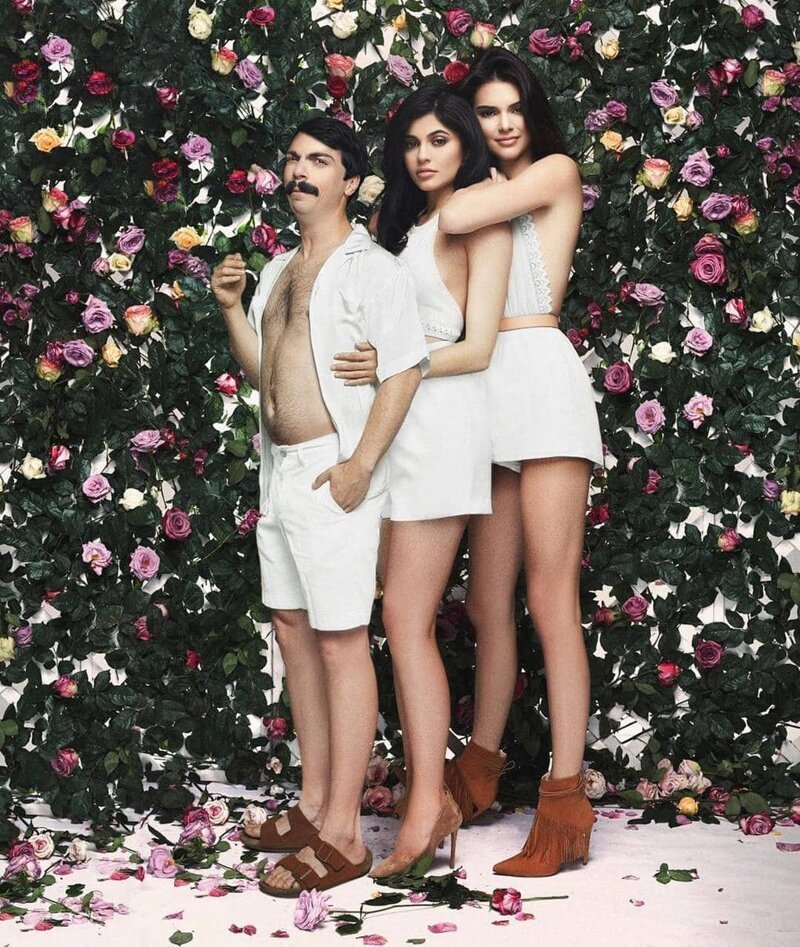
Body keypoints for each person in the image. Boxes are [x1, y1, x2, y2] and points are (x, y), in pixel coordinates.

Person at [211, 116, 429, 896]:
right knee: (294, 632)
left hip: (333, 473)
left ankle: (343, 835)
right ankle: (312, 805)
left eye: (320, 160)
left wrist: (359, 465)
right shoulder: (278, 268)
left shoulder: (374, 269)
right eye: (294, 158)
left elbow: (405, 368)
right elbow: (265, 371)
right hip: (280, 476)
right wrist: (232, 307)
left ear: (351, 181)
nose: (300, 170)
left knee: (341, 643)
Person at [439, 48, 604, 877]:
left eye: (512, 108)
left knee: (550, 596)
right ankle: (480, 764)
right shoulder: (482, 188)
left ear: (530, 115)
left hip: (540, 377)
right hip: (484, 385)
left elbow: (454, 216)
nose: (503, 123)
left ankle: (566, 799)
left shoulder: (553, 172)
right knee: (483, 601)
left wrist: (442, 183)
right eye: (487, 112)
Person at [367, 85, 511, 880]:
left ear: (466, 145)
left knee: (406, 615)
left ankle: (429, 801)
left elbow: (478, 344)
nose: (423, 155)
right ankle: (428, 795)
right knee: (398, 615)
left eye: (440, 140)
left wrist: (398, 363)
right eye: (412, 142)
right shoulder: (408, 224)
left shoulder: (476, 217)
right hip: (396, 425)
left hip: (443, 423)